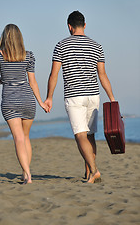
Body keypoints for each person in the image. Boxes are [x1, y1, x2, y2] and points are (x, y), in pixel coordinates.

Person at [45, 11, 115, 183]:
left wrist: (49, 97)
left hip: (74, 96)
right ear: (84, 25)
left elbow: (54, 75)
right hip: (93, 96)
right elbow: (103, 75)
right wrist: (112, 98)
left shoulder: (61, 46)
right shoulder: (96, 46)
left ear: (69, 26)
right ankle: (89, 171)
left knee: (80, 135)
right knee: (90, 135)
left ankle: (94, 171)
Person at [0, 24, 49, 184]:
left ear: (5, 38)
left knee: (18, 138)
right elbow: (33, 82)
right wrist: (42, 102)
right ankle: (25, 173)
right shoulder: (29, 56)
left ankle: (28, 175)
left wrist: (5, 80)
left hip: (10, 101)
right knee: (25, 137)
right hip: (28, 100)